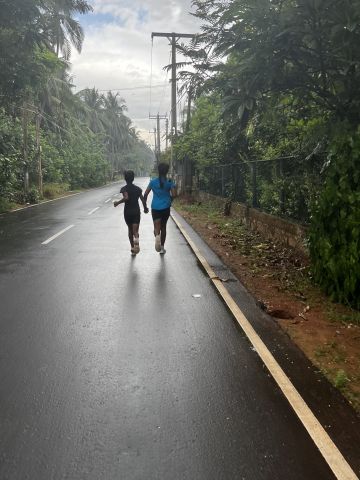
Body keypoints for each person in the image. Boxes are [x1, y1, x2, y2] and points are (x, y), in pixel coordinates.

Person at [143, 163, 176, 254]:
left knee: (156, 227)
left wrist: (145, 206)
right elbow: (174, 195)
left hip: (155, 208)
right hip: (165, 208)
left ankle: (157, 235)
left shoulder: (153, 182)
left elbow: (145, 194)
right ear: (167, 171)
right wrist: (170, 201)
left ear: (158, 171)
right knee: (163, 227)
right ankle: (162, 248)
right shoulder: (169, 182)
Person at [114, 170, 148, 255]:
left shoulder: (124, 189)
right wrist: (145, 208)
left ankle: (133, 248)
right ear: (133, 178)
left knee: (130, 229)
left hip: (128, 212)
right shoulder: (138, 189)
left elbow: (126, 197)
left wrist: (117, 203)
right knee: (135, 230)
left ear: (125, 178)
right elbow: (142, 199)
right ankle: (136, 237)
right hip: (136, 211)